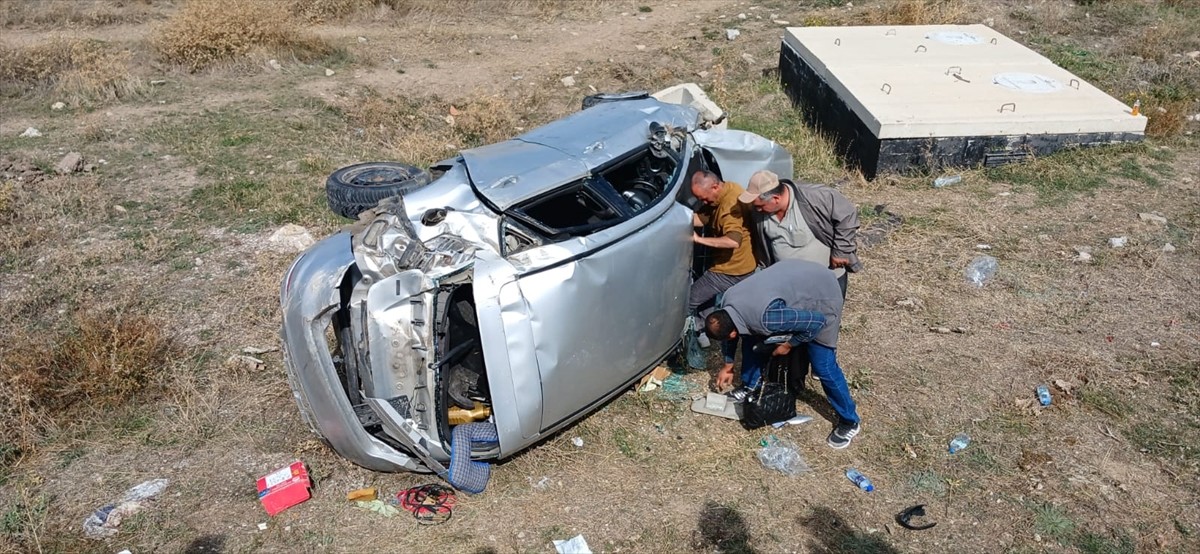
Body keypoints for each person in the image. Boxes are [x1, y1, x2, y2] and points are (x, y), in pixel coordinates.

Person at [704, 259, 862, 449]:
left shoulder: (767, 318)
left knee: (823, 363)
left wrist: (789, 344)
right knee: (751, 336)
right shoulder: (727, 301)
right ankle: (750, 385)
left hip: (822, 294)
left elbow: (817, 322)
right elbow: (735, 333)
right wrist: (728, 365)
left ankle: (850, 420)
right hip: (794, 277)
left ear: (731, 333)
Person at [739, 170, 861, 298]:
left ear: (776, 199)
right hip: (788, 285)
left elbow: (847, 215)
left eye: (760, 206)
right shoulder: (759, 213)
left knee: (827, 316)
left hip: (826, 280)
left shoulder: (816, 197)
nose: (757, 209)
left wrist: (842, 250)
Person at [686, 170, 757, 372]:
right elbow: (701, 218)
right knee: (705, 297)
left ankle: (681, 339)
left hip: (731, 268)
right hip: (735, 264)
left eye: (703, 197)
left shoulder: (728, 209)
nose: (702, 201)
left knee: (690, 299)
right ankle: (706, 331)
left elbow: (733, 241)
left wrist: (699, 240)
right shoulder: (727, 190)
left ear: (715, 187)